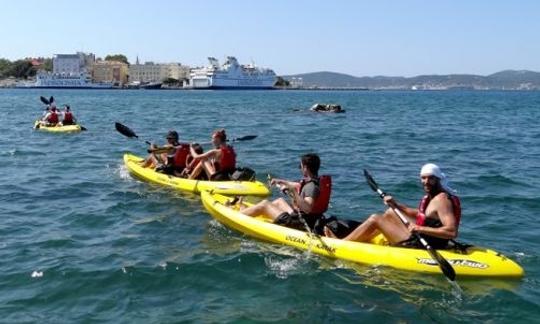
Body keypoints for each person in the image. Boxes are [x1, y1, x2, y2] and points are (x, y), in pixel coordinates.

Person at [325, 163, 460, 249]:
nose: (426, 182)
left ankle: (342, 244)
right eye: (423, 178)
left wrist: (419, 228)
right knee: (391, 212)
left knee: (375, 219)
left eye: (430, 178)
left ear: (438, 179)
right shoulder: (433, 196)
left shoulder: (441, 200)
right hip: (424, 236)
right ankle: (365, 238)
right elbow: (421, 214)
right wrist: (396, 205)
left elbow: (451, 232)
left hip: (424, 244)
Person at [238, 153, 332, 232]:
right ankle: (257, 212)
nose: (300, 168)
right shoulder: (316, 181)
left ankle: (239, 216)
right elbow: (298, 185)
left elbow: (307, 208)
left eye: (301, 166)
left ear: (306, 168)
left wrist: (293, 192)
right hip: (307, 220)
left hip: (300, 224)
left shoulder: (311, 187)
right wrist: (281, 181)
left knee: (265, 204)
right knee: (279, 201)